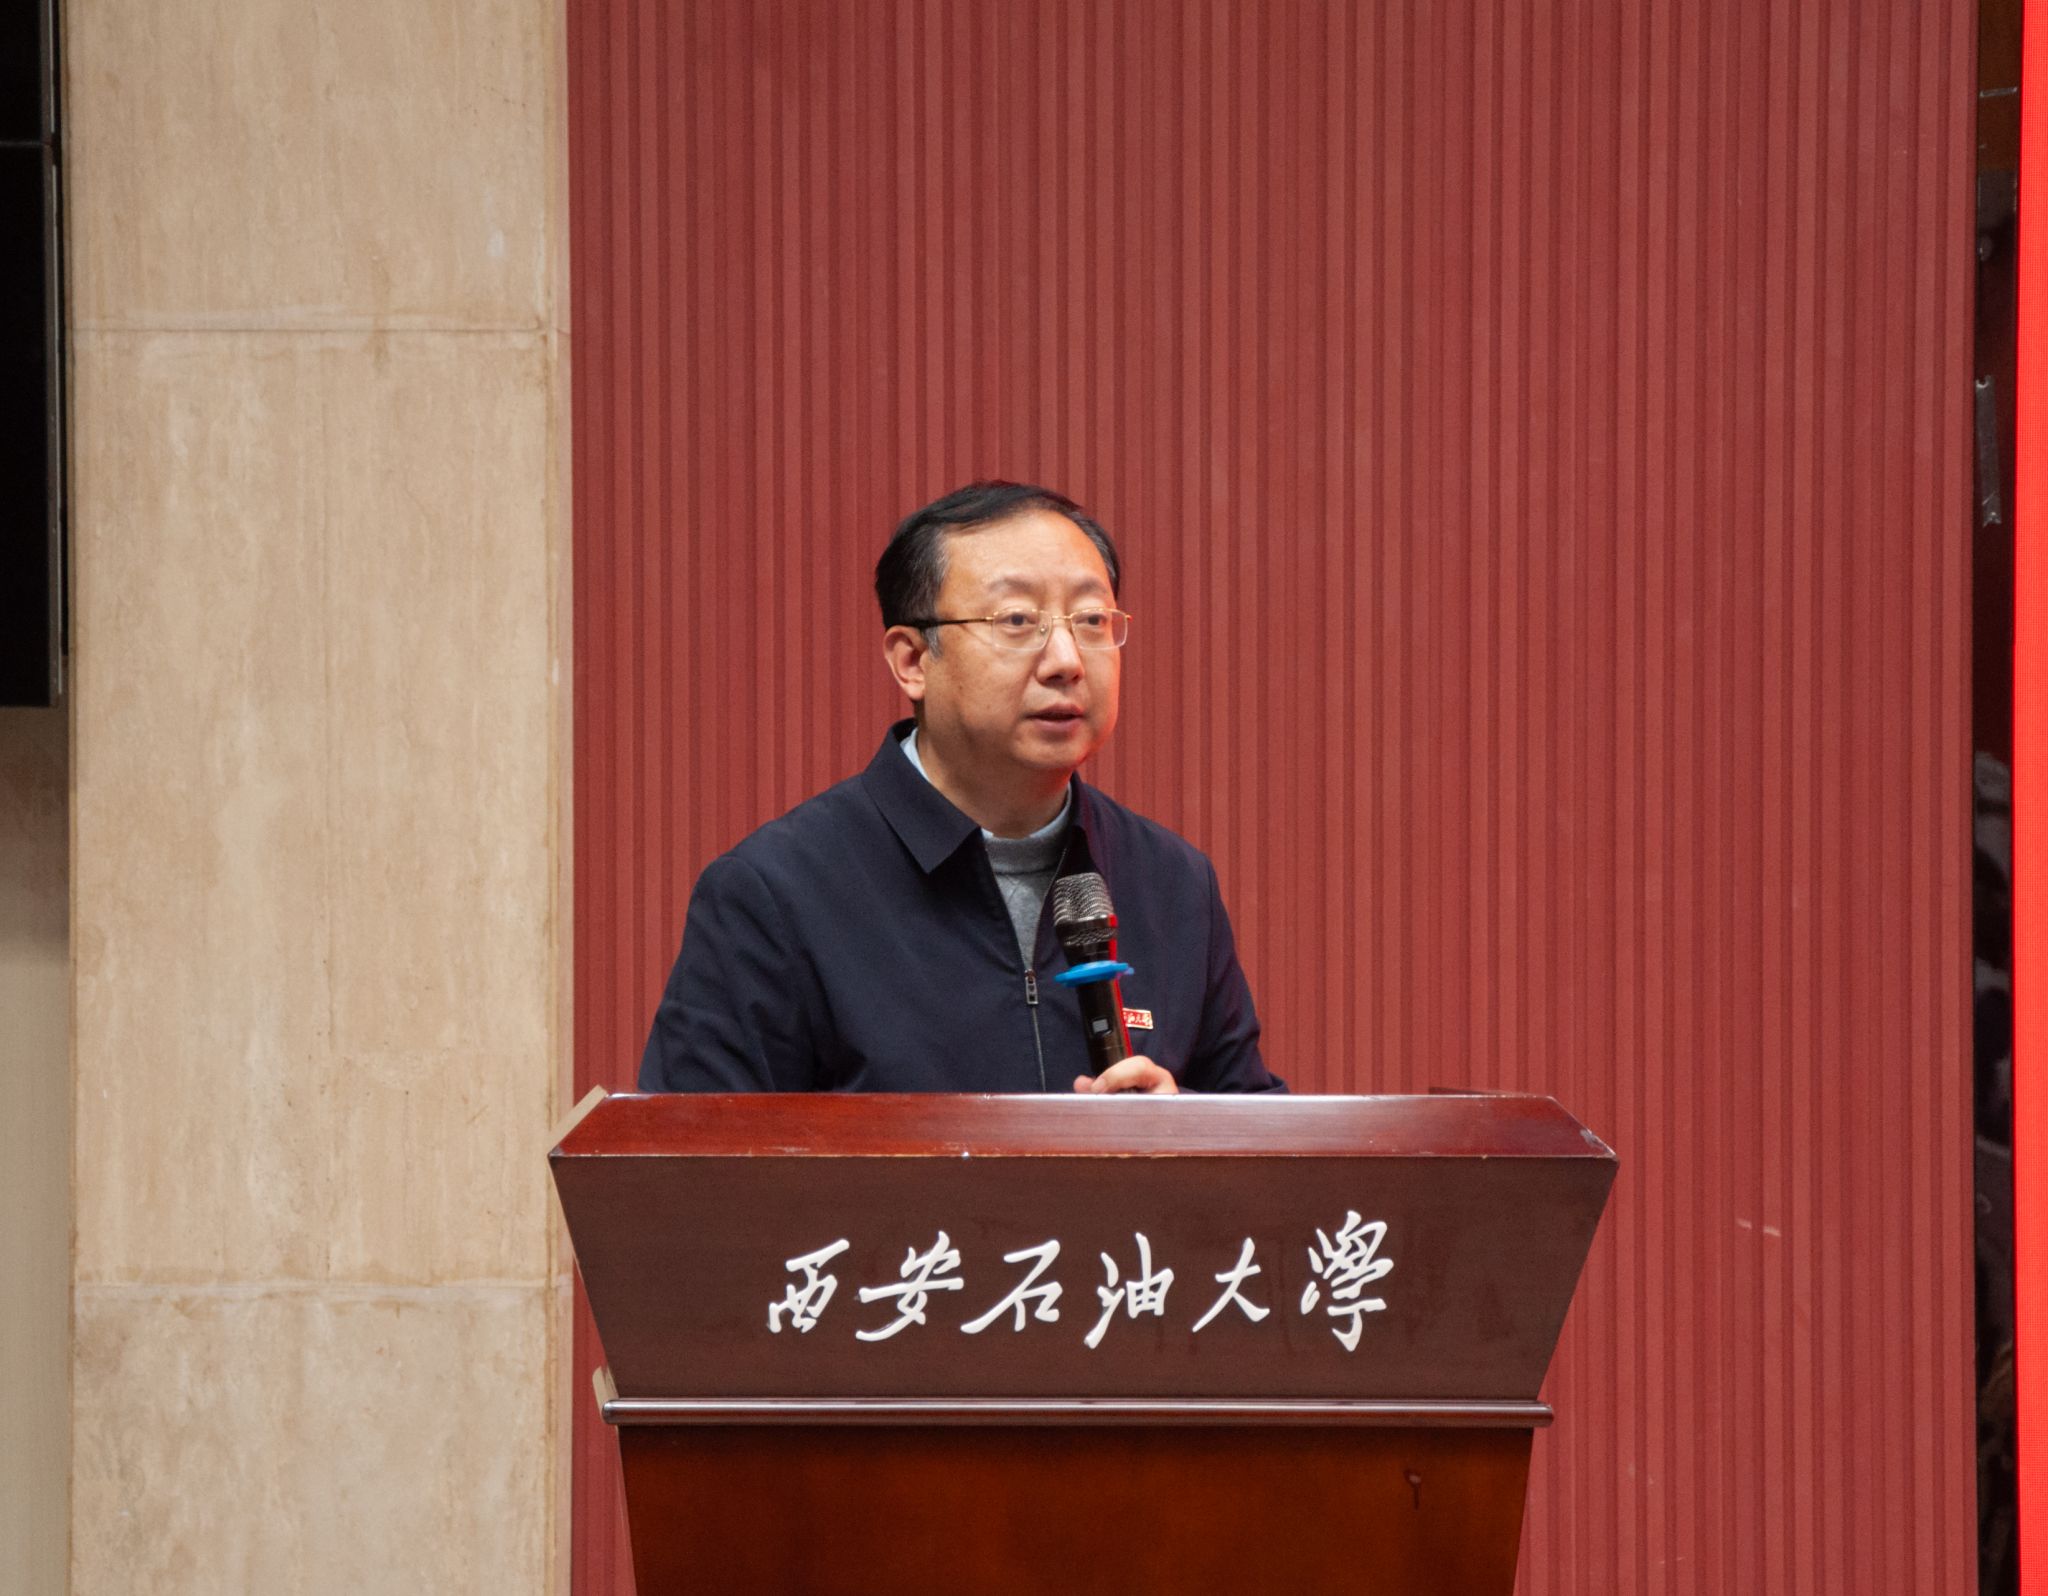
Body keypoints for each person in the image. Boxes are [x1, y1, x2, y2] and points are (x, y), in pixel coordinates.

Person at [638, 480, 1285, 1096]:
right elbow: (689, 1161)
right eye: (1016, 620)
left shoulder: (1173, 884)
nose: (1066, 660)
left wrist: (1178, 1126)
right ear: (913, 661)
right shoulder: (775, 894)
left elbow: (1265, 1148)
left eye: (1091, 619)